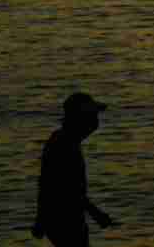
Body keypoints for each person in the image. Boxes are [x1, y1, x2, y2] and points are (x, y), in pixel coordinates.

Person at [31, 92, 117, 245]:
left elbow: (46, 184)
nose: (96, 122)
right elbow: (67, 189)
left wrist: (40, 219)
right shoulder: (65, 145)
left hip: (63, 219)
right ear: (81, 119)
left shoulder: (63, 141)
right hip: (65, 220)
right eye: (92, 117)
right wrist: (96, 214)